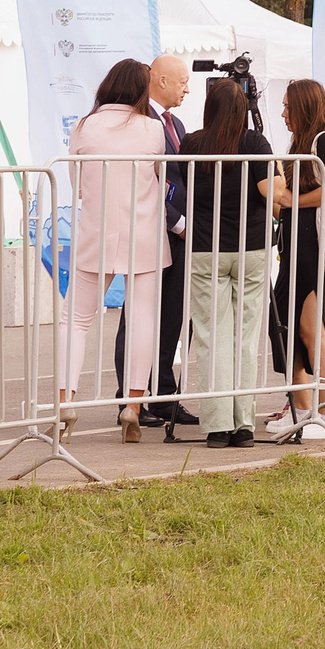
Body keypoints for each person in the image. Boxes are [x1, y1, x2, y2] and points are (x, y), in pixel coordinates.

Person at [63, 59, 169, 440]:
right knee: (142, 319)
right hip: (143, 233)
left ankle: (65, 401)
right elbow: (161, 177)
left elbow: (76, 182)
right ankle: (133, 405)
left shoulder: (84, 126)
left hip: (96, 230)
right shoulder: (152, 129)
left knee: (75, 319)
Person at [181, 77, 278, 449]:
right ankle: (244, 423)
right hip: (251, 247)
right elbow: (271, 191)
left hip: (206, 248)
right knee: (246, 336)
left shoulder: (192, 143)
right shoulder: (255, 143)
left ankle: (218, 424)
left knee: (211, 337)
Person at [262, 78, 325, 444]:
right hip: (294, 245)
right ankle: (303, 408)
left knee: (312, 331)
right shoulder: (300, 143)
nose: (282, 113)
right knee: (290, 329)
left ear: (302, 107)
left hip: (311, 246)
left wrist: (293, 200)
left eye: (286, 106)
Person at [117, 54, 197, 430]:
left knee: (171, 317)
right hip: (153, 232)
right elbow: (142, 183)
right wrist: (177, 222)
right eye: (181, 81)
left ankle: (163, 394)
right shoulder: (138, 123)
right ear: (161, 80)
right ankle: (131, 396)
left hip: (181, 237)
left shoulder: (175, 123)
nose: (187, 88)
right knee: (138, 317)